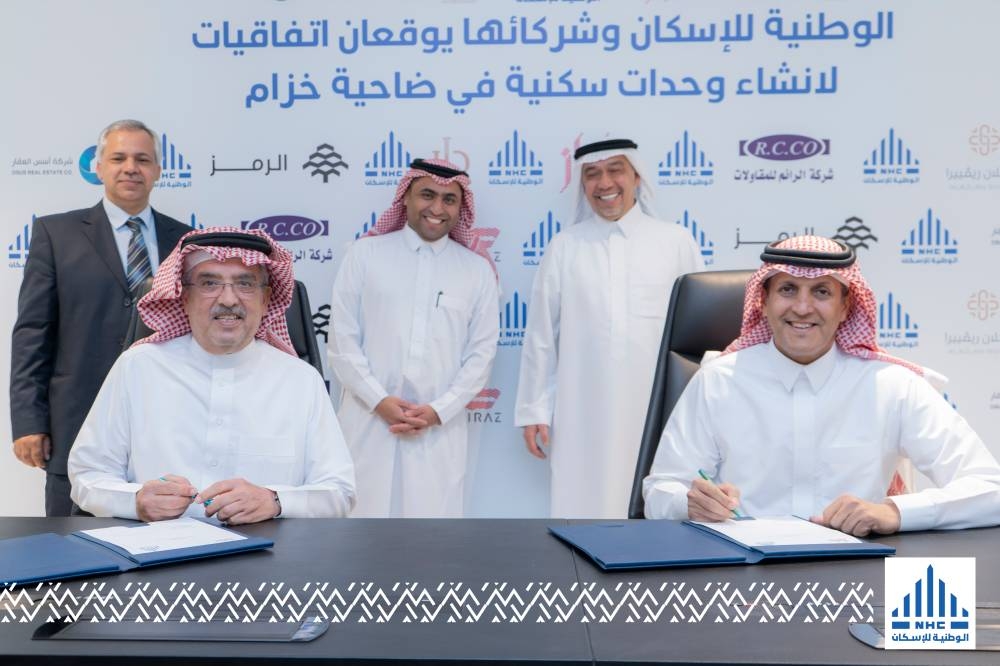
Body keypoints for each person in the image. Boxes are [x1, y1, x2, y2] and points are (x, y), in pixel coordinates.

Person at [643, 235, 1000, 535]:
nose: (802, 307)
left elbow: (990, 489)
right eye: (788, 289)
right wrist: (689, 503)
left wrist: (894, 512)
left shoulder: (892, 386)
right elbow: (659, 491)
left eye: (821, 292)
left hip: (858, 572)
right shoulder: (717, 381)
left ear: (846, 307)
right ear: (763, 302)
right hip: (742, 573)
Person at [68, 228, 356, 523]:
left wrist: (275, 500)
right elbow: (88, 474)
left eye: (245, 284)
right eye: (209, 283)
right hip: (157, 546)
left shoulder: (301, 380)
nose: (228, 299)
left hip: (266, 549)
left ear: (266, 298)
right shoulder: (137, 368)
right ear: (184, 297)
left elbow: (338, 491)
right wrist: (135, 500)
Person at [515, 138, 705, 518]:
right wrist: (534, 409)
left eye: (615, 170)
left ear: (636, 177)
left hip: (658, 407)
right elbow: (541, 336)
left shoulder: (675, 241)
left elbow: (698, 329)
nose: (604, 183)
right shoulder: (564, 246)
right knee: (583, 505)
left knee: (658, 503)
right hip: (582, 407)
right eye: (592, 174)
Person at [10, 119, 190, 516]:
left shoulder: (186, 239)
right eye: (118, 158)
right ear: (99, 167)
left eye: (142, 159)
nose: (131, 168)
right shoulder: (56, 233)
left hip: (165, 423)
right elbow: (33, 333)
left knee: (165, 540)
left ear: (158, 170)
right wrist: (28, 421)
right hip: (75, 422)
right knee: (67, 540)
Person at [328, 158, 499, 517]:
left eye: (449, 199)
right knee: (360, 531)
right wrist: (379, 401)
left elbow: (481, 356)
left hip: (437, 433)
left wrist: (438, 411)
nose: (437, 208)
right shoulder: (364, 255)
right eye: (427, 195)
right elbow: (342, 342)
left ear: (461, 207)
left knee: (430, 538)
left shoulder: (476, 270)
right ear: (405, 197)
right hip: (367, 422)